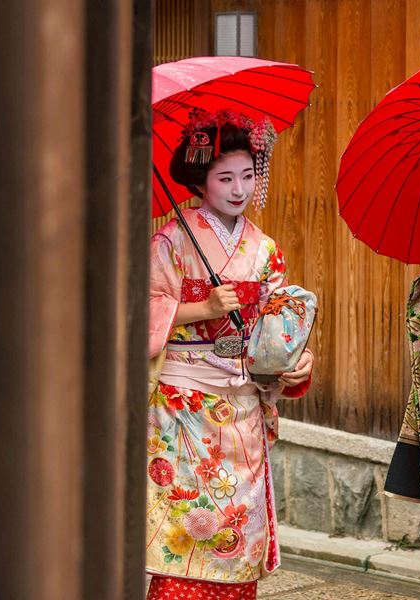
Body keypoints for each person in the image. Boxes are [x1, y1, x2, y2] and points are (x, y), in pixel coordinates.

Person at [145, 108, 314, 600]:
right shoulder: (171, 240)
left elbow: (279, 327)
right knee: (185, 530)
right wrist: (201, 307)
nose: (238, 189)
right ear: (201, 181)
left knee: (235, 537)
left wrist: (294, 361)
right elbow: (136, 313)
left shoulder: (265, 251)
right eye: (225, 178)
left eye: (247, 176)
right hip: (182, 407)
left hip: (240, 405)